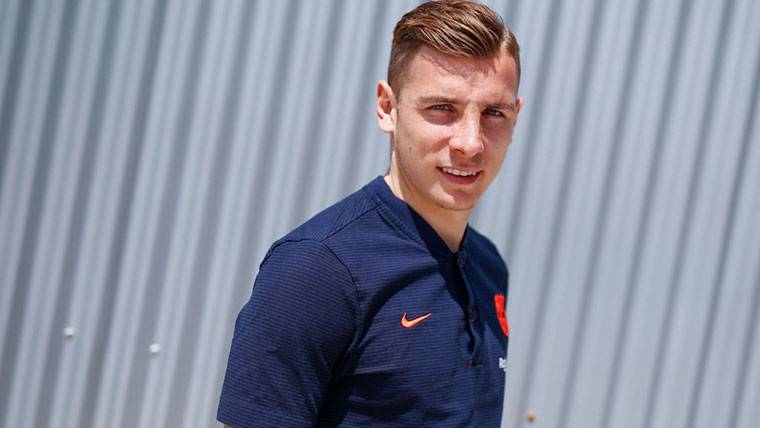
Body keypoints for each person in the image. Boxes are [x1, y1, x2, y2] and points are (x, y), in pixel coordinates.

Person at [217, 1, 523, 426]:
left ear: (515, 118)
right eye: (442, 108)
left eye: (493, 113)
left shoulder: (487, 265)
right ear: (387, 107)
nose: (470, 143)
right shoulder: (317, 269)